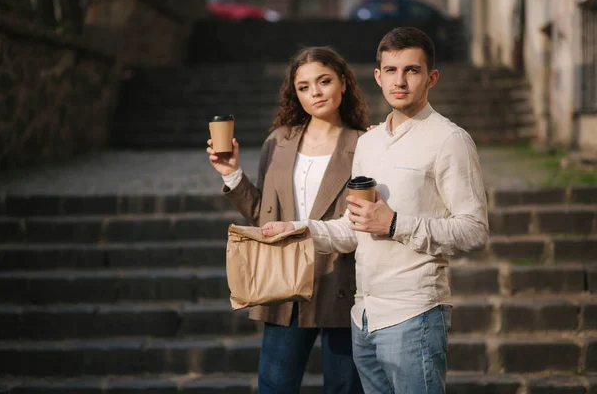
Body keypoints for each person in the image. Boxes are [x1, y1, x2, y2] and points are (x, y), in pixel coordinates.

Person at [262, 27, 489, 394]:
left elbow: (475, 231)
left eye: (412, 70)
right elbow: (356, 229)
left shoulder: (450, 140)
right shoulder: (368, 142)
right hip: (363, 317)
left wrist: (396, 223)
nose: (400, 81)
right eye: (392, 70)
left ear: (431, 77)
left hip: (414, 315)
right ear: (378, 76)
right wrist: (300, 229)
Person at [206, 46, 368, 393]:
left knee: (345, 389)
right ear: (295, 93)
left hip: (343, 282)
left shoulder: (366, 144)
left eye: (324, 81)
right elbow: (265, 214)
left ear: (343, 82)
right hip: (285, 283)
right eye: (304, 86)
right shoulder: (279, 141)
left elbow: (362, 221)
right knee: (275, 387)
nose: (316, 93)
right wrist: (232, 174)